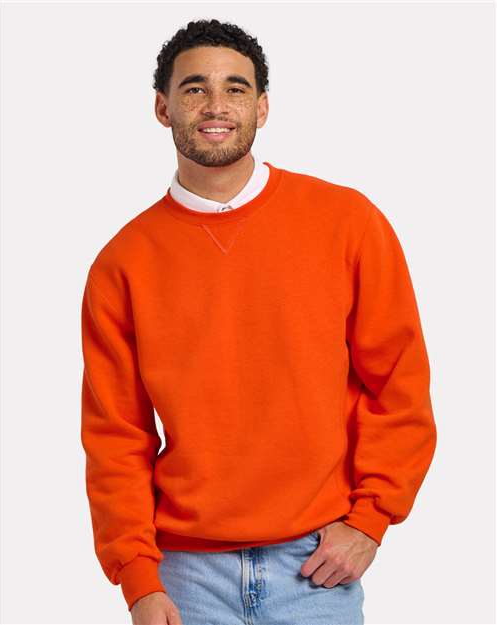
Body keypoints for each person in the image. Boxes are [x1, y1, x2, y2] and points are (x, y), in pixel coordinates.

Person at [80, 18, 437, 625]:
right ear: (163, 108)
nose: (216, 105)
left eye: (236, 88)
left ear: (262, 107)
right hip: (184, 576)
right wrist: (137, 577)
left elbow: (399, 384)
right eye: (195, 88)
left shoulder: (348, 222)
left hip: (316, 564)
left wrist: (370, 520)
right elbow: (116, 437)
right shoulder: (122, 263)